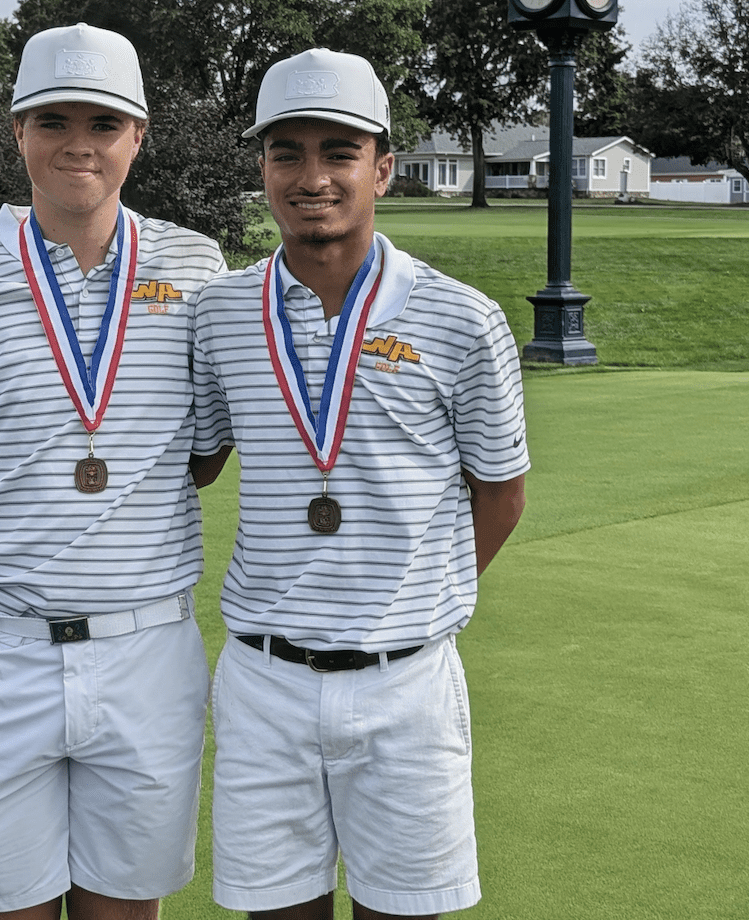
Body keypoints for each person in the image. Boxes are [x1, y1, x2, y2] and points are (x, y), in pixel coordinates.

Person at [0, 23, 226, 920]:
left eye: (104, 123)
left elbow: (205, 450)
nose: (80, 144)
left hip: (148, 651)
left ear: (138, 135)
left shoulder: (195, 268)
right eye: (53, 120)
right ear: (18, 130)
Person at [191, 48, 530, 920]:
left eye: (338, 151)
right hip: (264, 681)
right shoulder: (221, 313)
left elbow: (500, 492)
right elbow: (193, 461)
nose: (311, 177)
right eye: (286, 152)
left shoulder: (463, 317)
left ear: (382, 165)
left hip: (406, 686)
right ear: (262, 167)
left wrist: (413, 595)